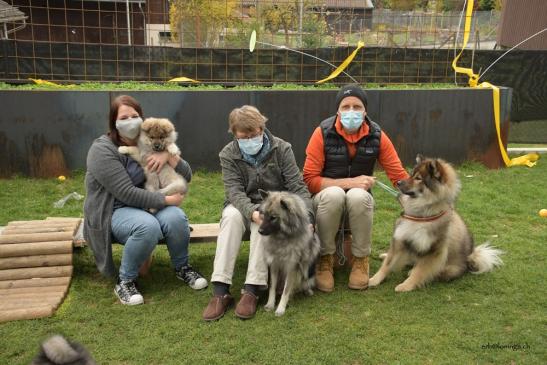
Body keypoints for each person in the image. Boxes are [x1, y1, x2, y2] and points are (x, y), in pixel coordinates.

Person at [83, 95, 207, 306]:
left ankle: (182, 268)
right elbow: (126, 193)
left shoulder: (150, 139)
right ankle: (125, 281)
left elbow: (187, 175)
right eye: (124, 117)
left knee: (176, 218)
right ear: (114, 121)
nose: (130, 120)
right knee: (147, 227)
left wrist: (169, 157)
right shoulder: (101, 150)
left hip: (148, 203)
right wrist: (166, 200)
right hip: (114, 209)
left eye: (135, 115)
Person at [202, 105, 314, 321]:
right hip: (240, 205)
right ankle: (220, 290)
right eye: (245, 136)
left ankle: (252, 289)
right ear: (234, 134)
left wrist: (307, 217)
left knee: (260, 228)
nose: (251, 138)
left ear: (262, 128)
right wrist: (253, 211)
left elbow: (297, 186)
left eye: (255, 133)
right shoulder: (228, 154)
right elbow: (233, 191)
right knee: (231, 218)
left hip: (271, 208)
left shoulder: (282, 148)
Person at [303, 84, 409, 293]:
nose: (351, 111)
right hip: (324, 200)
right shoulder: (322, 133)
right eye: (346, 106)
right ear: (338, 111)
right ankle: (325, 259)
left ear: (365, 111)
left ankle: (361, 260)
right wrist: (349, 182)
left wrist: (422, 194)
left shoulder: (377, 135)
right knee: (334, 194)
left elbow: (398, 176)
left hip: (358, 202)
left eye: (357, 106)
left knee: (359, 195)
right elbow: (308, 180)